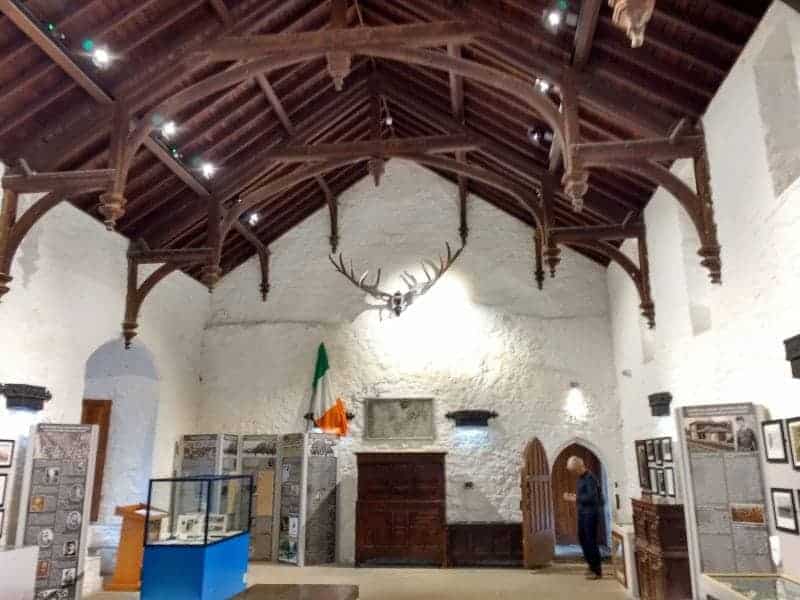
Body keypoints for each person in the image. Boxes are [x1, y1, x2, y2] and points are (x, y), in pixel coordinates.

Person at [563, 456, 603, 580]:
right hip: (583, 513)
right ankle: (591, 565)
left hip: (591, 514)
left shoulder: (590, 478)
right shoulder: (581, 478)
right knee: (583, 539)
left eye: (573, 470)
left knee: (591, 541)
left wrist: (575, 498)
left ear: (579, 466)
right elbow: (584, 495)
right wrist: (575, 496)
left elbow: (593, 498)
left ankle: (596, 570)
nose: (572, 473)